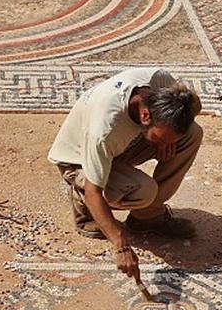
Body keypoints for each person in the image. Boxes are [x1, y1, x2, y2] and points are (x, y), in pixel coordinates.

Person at [47, 67, 203, 281]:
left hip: (126, 144)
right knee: (143, 191)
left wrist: (164, 140)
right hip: (77, 160)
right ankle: (81, 202)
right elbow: (95, 191)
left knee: (193, 134)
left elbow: (193, 107)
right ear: (146, 115)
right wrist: (121, 245)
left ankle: (147, 217)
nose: (166, 146)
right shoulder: (104, 128)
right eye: (160, 138)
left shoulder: (162, 83)